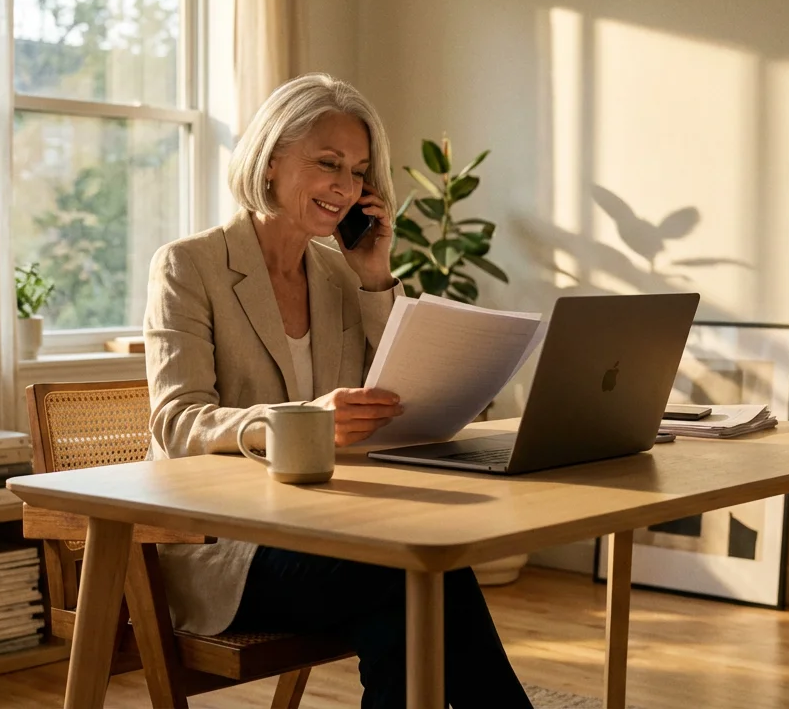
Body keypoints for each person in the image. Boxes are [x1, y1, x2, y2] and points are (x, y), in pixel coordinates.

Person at [144, 73, 531, 708]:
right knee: (412, 577)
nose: (346, 187)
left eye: (357, 171)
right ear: (270, 162)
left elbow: (401, 395)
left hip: (329, 529)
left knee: (414, 585)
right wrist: (300, 421)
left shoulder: (340, 273)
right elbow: (177, 421)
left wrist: (376, 273)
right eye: (327, 163)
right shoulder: (189, 266)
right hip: (225, 553)